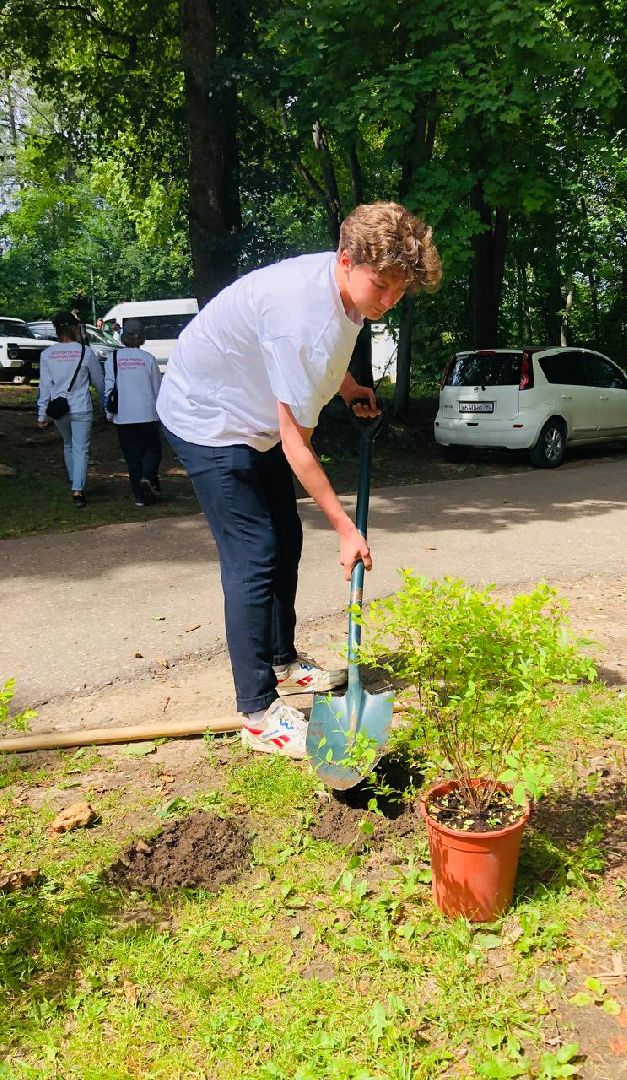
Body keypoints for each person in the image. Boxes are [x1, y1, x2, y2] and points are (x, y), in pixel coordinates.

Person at [157, 201, 441, 758]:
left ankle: (283, 661)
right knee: (255, 554)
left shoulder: (342, 291)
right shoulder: (301, 319)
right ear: (345, 259)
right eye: (381, 286)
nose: (387, 301)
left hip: (250, 412)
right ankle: (258, 710)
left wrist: (349, 386)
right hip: (208, 419)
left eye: (399, 290)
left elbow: (324, 358)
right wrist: (345, 528)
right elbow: (296, 444)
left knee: (285, 537)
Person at [37, 309, 105, 508]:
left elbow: (45, 386)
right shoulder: (85, 352)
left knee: (68, 444)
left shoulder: (47, 354)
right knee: (81, 448)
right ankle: (78, 489)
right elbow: (98, 381)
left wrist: (42, 413)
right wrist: (105, 402)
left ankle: (74, 481)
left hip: (59, 409)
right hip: (81, 406)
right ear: (75, 328)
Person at [105, 318, 163, 506]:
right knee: (154, 451)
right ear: (142, 339)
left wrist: (109, 412)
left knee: (132, 456)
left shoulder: (113, 358)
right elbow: (157, 388)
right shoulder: (148, 359)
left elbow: (109, 387)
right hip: (147, 414)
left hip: (123, 415)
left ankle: (139, 497)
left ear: (123, 337)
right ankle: (147, 476)